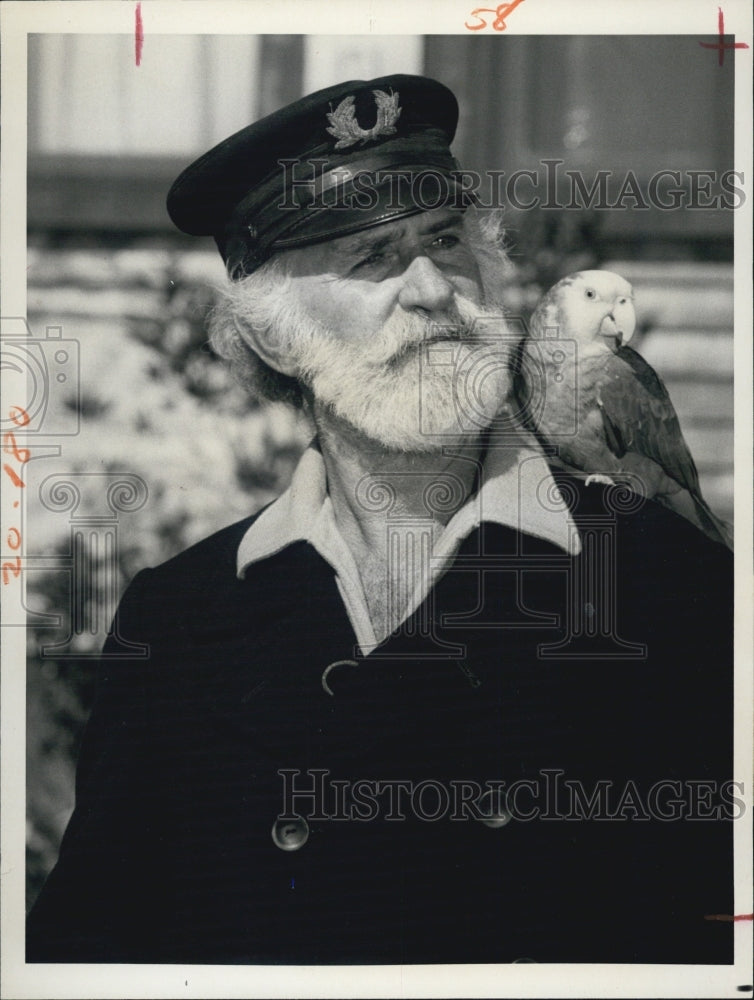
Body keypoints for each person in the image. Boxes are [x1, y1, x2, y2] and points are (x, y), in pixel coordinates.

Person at [26, 74, 734, 965]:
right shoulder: (179, 622)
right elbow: (89, 956)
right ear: (273, 338)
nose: (433, 287)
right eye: (371, 260)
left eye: (445, 241)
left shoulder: (677, 589)